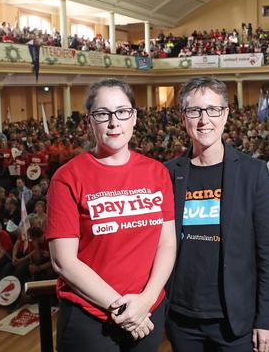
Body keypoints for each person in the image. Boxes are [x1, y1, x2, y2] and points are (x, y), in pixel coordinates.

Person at [45, 78, 176, 351]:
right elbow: (64, 262)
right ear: (90, 121)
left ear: (134, 117)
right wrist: (124, 309)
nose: (114, 122)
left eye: (122, 112)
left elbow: (166, 243)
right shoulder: (67, 177)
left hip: (147, 314)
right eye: (103, 114)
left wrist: (144, 301)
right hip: (91, 320)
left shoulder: (157, 173)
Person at [164, 77, 269, 352]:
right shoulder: (168, 173)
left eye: (212, 110)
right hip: (182, 319)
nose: (204, 120)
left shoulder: (253, 173)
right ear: (184, 118)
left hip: (234, 320)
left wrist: (266, 319)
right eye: (195, 111)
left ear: (226, 114)